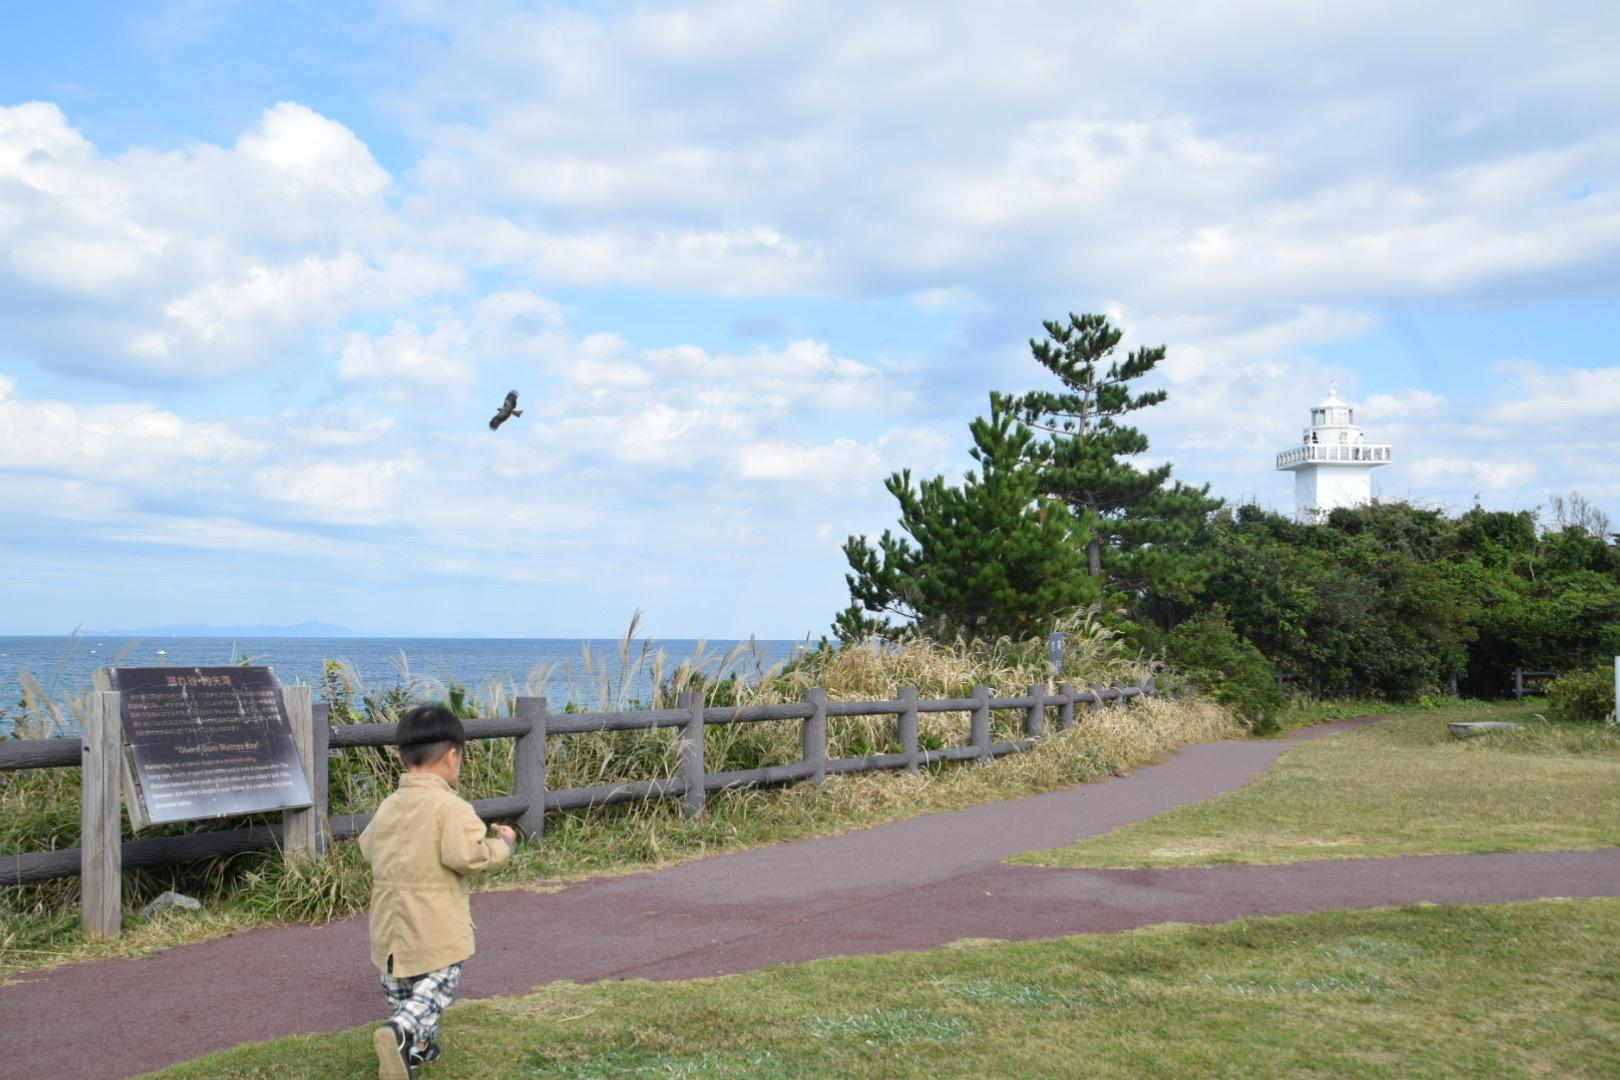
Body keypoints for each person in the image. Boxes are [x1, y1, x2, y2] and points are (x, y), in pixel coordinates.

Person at [359, 704, 516, 1078]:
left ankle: (416, 1050)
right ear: (451, 755)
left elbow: (368, 848)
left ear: (402, 756)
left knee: (404, 994)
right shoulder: (451, 806)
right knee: (437, 986)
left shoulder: (389, 805)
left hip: (389, 930)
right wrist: (504, 847)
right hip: (434, 926)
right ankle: (400, 1032)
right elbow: (468, 856)